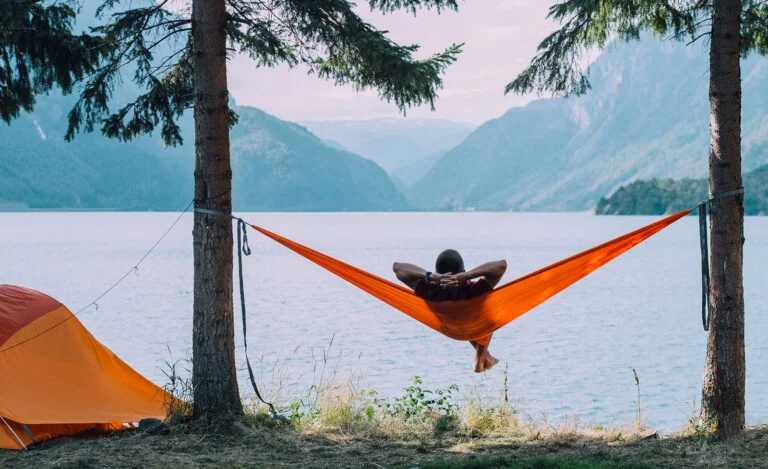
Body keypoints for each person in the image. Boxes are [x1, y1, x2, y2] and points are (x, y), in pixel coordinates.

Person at [393, 250, 507, 373]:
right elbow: (502, 265)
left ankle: (487, 357)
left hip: (449, 329)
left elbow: (397, 268)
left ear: (438, 274)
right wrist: (467, 276)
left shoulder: (430, 291)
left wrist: (430, 275)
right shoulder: (475, 290)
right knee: (491, 315)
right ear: (462, 272)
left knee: (461, 317)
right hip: (474, 327)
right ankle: (479, 361)